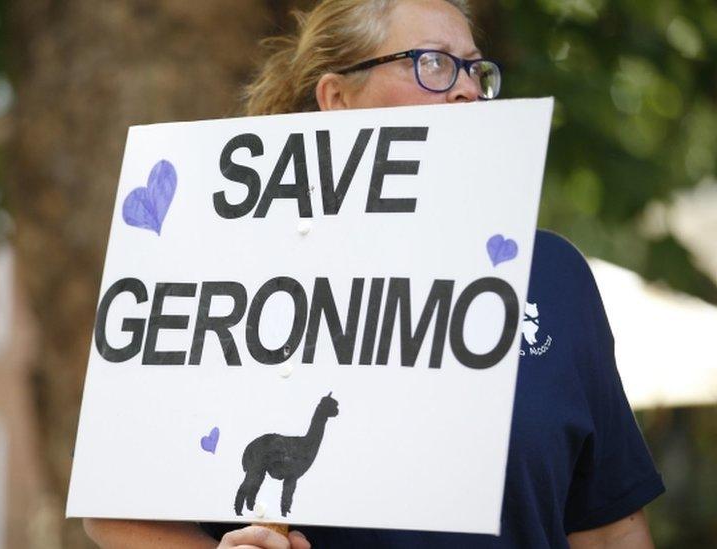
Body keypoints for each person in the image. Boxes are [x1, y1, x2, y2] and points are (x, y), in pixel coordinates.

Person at [83, 0, 664, 547]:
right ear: (337, 98)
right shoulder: (223, 272)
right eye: (433, 63)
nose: (466, 89)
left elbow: (611, 528)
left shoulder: (552, 276)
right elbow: (121, 511)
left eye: (475, 71)